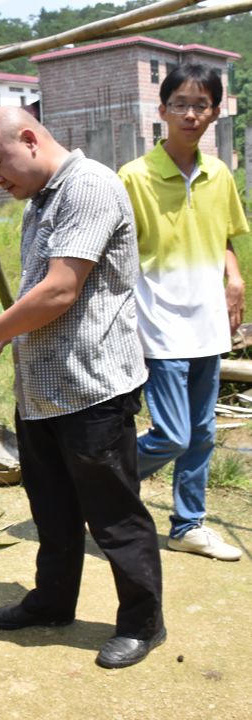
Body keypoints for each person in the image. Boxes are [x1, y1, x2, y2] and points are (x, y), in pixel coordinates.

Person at [0, 106, 165, 669]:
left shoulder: (89, 186)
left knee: (113, 513)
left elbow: (60, 291)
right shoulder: (41, 199)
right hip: (44, 389)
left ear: (30, 138)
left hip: (92, 387)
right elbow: (35, 295)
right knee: (52, 510)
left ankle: (143, 623)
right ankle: (52, 602)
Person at [119, 63, 248, 562]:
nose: (190, 114)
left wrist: (234, 278)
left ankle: (187, 524)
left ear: (215, 112)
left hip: (209, 325)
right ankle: (96, 482)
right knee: (172, 434)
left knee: (203, 434)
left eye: (201, 105)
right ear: (162, 110)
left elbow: (225, 239)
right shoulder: (135, 177)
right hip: (158, 324)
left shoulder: (220, 176)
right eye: (181, 104)